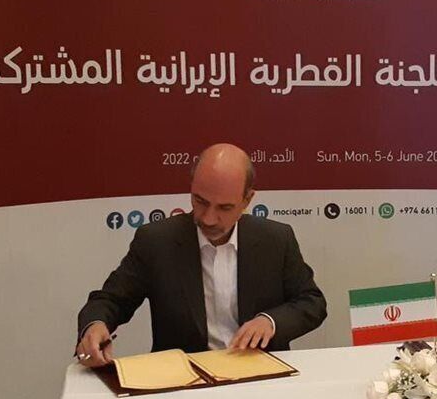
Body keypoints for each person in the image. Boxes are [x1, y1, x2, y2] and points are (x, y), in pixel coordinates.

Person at [76, 143, 327, 366]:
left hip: (259, 374)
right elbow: (110, 300)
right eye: (200, 201)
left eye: (224, 208)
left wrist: (269, 321)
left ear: (247, 200)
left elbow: (312, 303)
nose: (208, 218)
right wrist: (96, 325)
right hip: (184, 382)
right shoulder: (156, 241)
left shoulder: (276, 239)